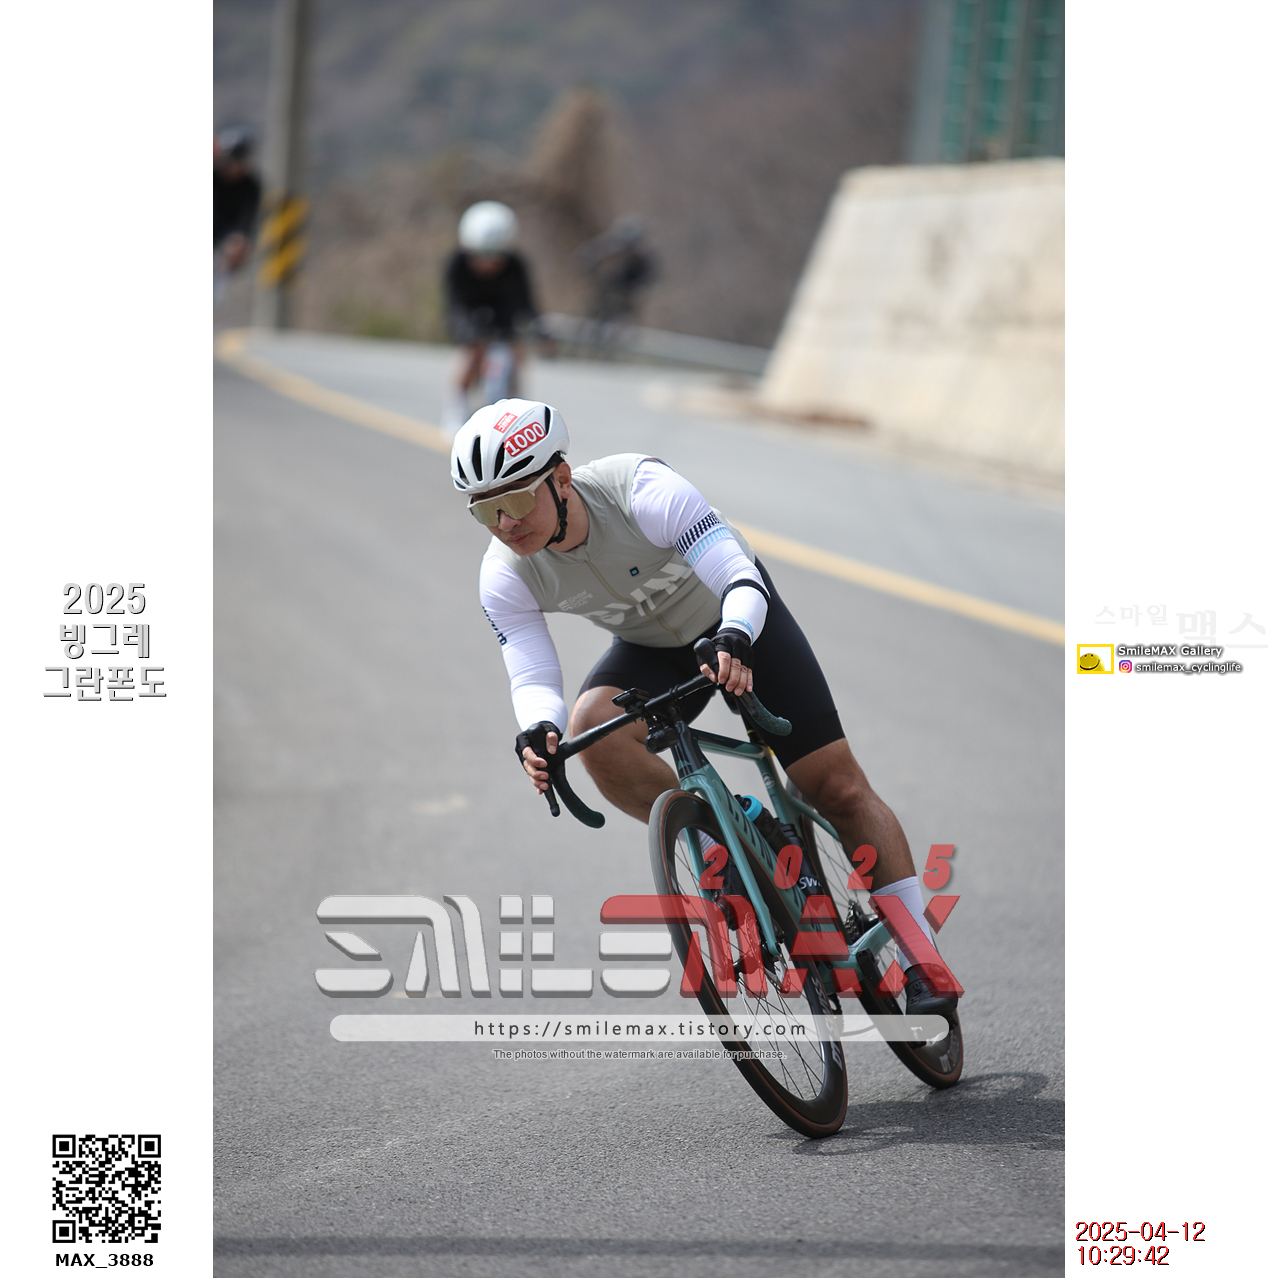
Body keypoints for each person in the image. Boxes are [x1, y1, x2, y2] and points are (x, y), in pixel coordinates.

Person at [451, 398, 961, 1017]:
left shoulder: (641, 491)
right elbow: (532, 673)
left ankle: (921, 956)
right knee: (591, 729)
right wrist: (539, 731)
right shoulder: (505, 573)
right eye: (485, 510)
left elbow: (738, 576)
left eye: (515, 500)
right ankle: (726, 834)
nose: (505, 523)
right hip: (651, 650)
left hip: (740, 618)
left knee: (836, 787)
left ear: (561, 478)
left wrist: (736, 634)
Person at [442, 201, 552, 430]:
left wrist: (541, 332)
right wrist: (468, 335)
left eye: (496, 256)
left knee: (514, 352)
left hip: (503, 314)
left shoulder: (516, 266)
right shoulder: (457, 264)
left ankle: (516, 409)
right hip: (469, 313)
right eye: (482, 255)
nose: (489, 263)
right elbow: (454, 306)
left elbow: (528, 304)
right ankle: (457, 404)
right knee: (472, 352)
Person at [571, 216, 656, 349]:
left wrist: (636, 287)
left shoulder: (643, 256)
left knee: (624, 313)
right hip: (610, 285)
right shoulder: (611, 247)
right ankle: (589, 331)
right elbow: (587, 256)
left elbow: (650, 276)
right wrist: (588, 270)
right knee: (598, 305)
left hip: (628, 291)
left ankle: (619, 338)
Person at [213, 127, 262, 306]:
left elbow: (247, 220)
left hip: (228, 235)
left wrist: (238, 239)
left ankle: (218, 289)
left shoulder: (251, 186)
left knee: (239, 246)